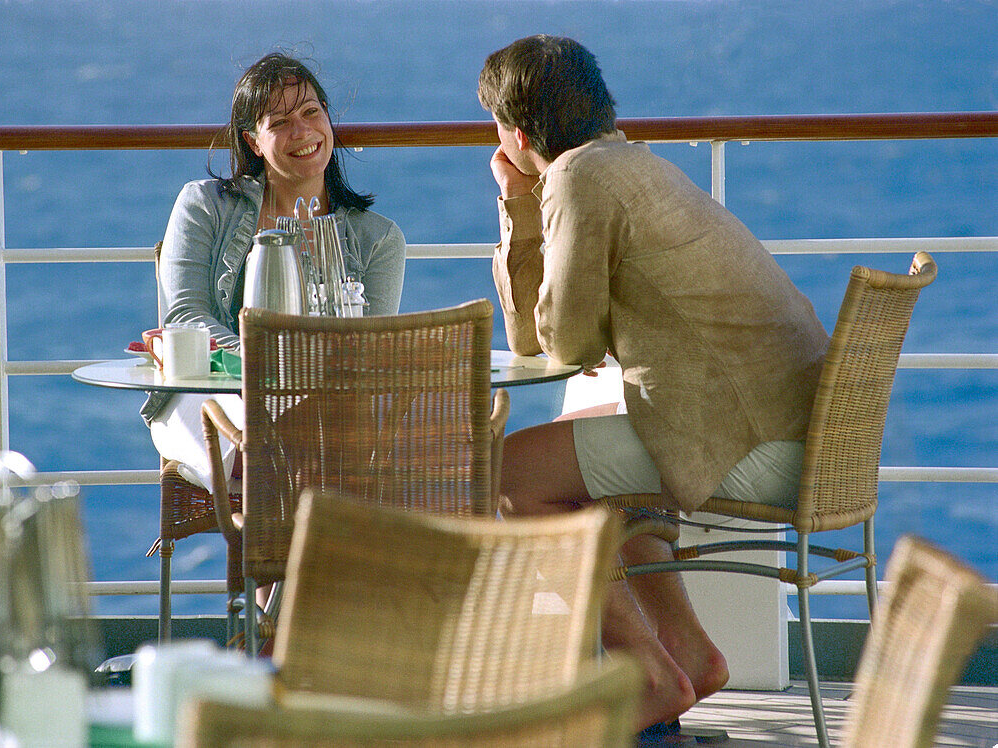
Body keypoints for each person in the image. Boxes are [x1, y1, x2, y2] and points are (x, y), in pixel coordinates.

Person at [477, 35, 829, 731]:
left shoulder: (581, 177)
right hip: (798, 435)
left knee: (505, 473)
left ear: (516, 134)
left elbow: (561, 343)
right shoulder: (630, 163)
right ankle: (691, 657)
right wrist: (526, 205)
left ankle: (647, 674)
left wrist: (516, 202)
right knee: (595, 462)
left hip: (747, 444)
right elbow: (551, 340)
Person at [141, 52, 406, 491]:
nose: (302, 131)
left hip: (323, 410)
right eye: (279, 122)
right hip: (205, 396)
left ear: (328, 121)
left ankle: (279, 554)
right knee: (289, 450)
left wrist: (292, 383)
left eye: (310, 112)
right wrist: (273, 368)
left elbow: (364, 354)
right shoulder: (204, 205)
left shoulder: (377, 239)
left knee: (309, 439)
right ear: (253, 141)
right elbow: (185, 318)